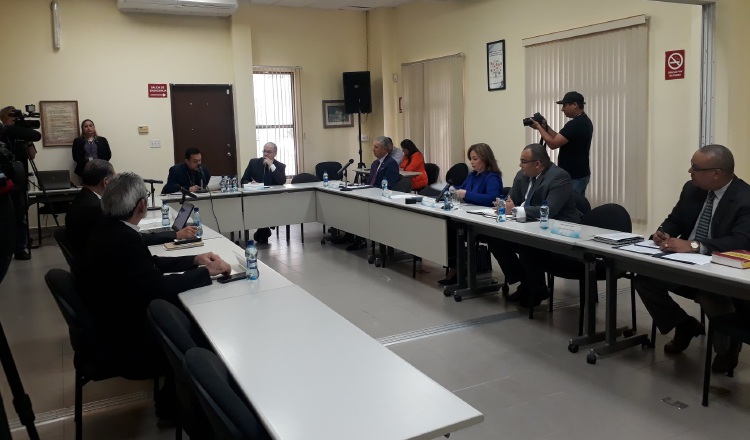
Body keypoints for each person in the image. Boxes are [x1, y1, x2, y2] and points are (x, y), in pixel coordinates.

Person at [77, 172, 230, 413]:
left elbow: (148, 263)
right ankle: (176, 406)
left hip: (109, 320)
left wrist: (194, 260)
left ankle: (172, 401)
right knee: (198, 329)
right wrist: (206, 273)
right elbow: (157, 289)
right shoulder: (123, 238)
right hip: (125, 338)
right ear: (141, 205)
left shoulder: (110, 228)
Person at [635, 144, 750, 373]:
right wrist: (661, 232)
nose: (690, 172)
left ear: (716, 173)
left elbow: (741, 241)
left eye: (695, 168)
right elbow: (675, 219)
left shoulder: (744, 198)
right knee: (645, 279)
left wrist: (696, 246)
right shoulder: (692, 189)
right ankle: (684, 325)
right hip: (685, 264)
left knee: (710, 295)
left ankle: (727, 350)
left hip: (718, 268)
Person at [487, 143, 581, 306]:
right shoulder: (522, 175)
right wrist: (503, 205)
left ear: (537, 164)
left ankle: (536, 290)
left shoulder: (559, 177)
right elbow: (511, 200)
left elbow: (549, 210)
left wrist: (515, 210)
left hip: (559, 231)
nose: (520, 165)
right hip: (529, 226)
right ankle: (525, 283)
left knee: (527, 247)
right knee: (496, 239)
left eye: (523, 161)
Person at [65, 160, 197, 259]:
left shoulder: (83, 199)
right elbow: (132, 238)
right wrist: (176, 235)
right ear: (106, 182)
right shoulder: (95, 208)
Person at [439, 143, 503, 285]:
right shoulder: (472, 175)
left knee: (452, 229)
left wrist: (467, 194)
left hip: (482, 220)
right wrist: (453, 191)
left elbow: (492, 199)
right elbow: (461, 190)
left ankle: (457, 268)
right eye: (471, 159)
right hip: (467, 215)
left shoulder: (492, 177)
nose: (472, 162)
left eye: (475, 159)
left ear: (485, 159)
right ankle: (455, 266)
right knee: (446, 225)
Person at [530, 91, 593, 196]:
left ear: (574, 105)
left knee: (571, 208)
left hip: (574, 176)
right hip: (579, 173)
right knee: (577, 207)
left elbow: (553, 144)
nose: (562, 109)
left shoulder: (575, 124)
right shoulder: (584, 121)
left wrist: (539, 127)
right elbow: (559, 138)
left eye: (564, 105)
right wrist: (545, 126)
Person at [346, 136, 401, 251]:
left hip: (380, 198)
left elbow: (387, 185)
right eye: (373, 147)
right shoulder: (375, 163)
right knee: (350, 205)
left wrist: (370, 192)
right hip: (369, 193)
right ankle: (350, 235)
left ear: (385, 149)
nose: (373, 149)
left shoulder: (391, 164)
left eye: (376, 147)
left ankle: (360, 240)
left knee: (359, 211)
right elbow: (370, 181)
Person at [1, 106, 41, 260]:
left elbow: (32, 156)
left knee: (21, 217)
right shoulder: (3, 133)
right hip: (4, 181)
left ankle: (20, 248)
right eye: (12, 119)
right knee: (5, 217)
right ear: (4, 119)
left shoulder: (21, 134)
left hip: (20, 181)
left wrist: (27, 139)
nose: (14, 121)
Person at [241, 142, 286, 243]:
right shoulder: (254, 163)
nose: (265, 154)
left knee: (268, 207)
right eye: (264, 151)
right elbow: (243, 180)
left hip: (272, 199)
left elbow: (281, 181)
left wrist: (271, 165)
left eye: (269, 152)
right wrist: (250, 183)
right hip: (256, 197)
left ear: (275, 153)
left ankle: (264, 228)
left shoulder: (280, 166)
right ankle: (264, 228)